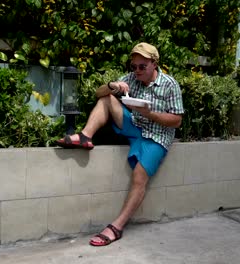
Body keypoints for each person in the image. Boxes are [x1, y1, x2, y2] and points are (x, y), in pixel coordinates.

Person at [54, 42, 185, 246]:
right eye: (134, 67)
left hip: (157, 136)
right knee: (106, 99)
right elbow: (98, 94)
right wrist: (111, 86)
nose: (137, 71)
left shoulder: (170, 84)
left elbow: (177, 120)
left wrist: (150, 114)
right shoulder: (131, 78)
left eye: (142, 67)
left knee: (139, 176)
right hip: (134, 125)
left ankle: (117, 226)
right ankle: (85, 136)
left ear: (154, 63)